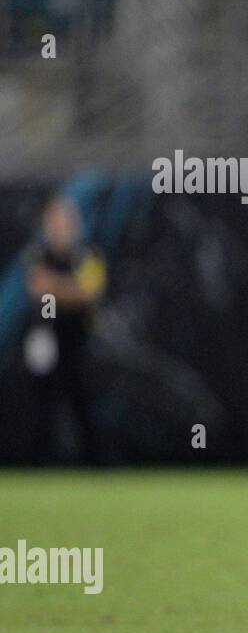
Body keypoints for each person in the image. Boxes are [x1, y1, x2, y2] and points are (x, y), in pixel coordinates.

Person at [24, 197, 106, 464]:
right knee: (42, 407)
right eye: (54, 222)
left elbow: (89, 293)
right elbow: (37, 287)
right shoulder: (38, 254)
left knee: (82, 403)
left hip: (79, 341)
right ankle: (40, 464)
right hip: (47, 340)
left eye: (64, 221)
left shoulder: (88, 254)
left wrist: (56, 286)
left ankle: (93, 463)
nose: (58, 227)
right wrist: (70, 288)